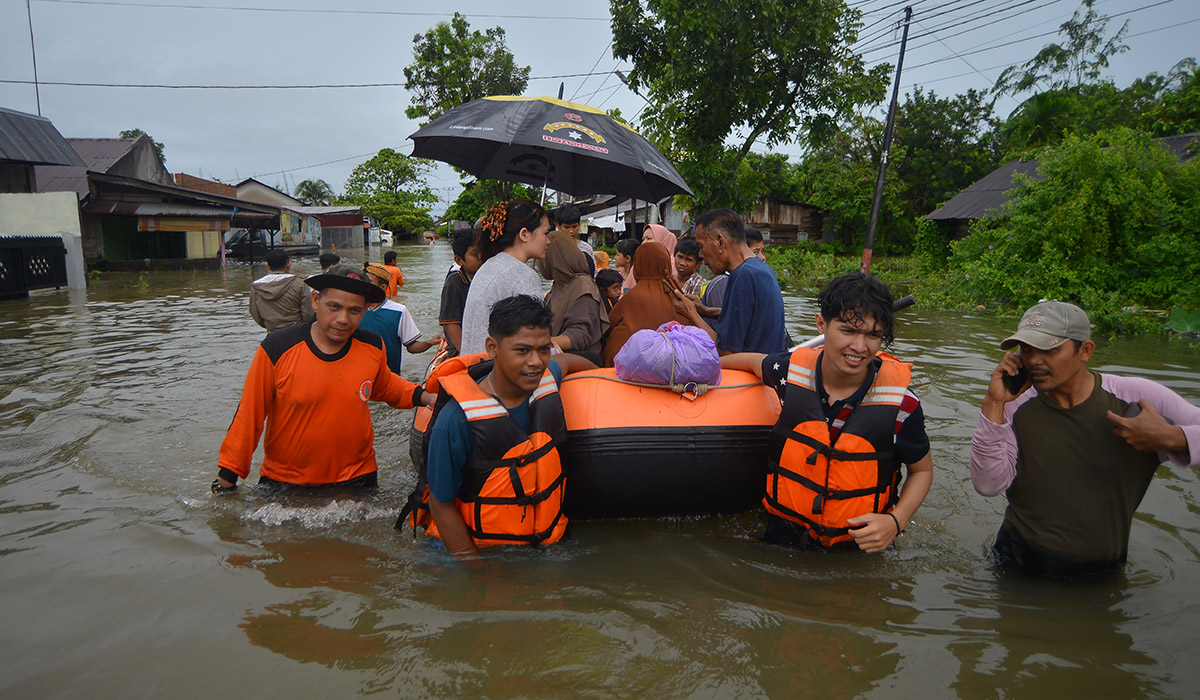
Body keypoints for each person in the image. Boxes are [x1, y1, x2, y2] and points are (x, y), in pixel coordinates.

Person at [971, 301, 1200, 576]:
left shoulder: (1135, 398)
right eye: (1027, 349)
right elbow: (987, 484)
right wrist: (994, 403)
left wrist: (1172, 437)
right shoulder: (1013, 404)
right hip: (1015, 565)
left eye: (1049, 349)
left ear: (1085, 351)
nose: (1033, 360)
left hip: (1102, 573)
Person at [720, 272, 934, 553]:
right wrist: (705, 371)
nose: (859, 347)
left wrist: (896, 521)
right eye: (848, 330)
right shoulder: (789, 373)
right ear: (822, 324)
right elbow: (749, 362)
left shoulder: (902, 406)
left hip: (857, 548)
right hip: (783, 536)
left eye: (873, 335)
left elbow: (922, 470)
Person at [213, 264, 436, 492]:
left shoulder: (372, 346)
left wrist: (426, 397)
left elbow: (386, 385)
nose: (343, 319)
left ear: (365, 310)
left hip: (358, 477)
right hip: (287, 482)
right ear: (315, 301)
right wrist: (228, 475)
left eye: (354, 311)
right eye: (334, 307)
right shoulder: (277, 348)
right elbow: (250, 414)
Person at [421, 295, 597, 555]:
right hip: (479, 547)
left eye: (544, 349)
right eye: (522, 351)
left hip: (542, 537)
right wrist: (472, 565)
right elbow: (441, 504)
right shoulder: (455, 421)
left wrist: (606, 371)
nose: (536, 362)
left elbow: (568, 362)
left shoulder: (546, 381)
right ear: (492, 347)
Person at [673, 209, 787, 355]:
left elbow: (727, 352)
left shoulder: (741, 277)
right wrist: (705, 311)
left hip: (750, 376)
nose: (700, 255)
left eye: (701, 247)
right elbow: (750, 317)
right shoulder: (761, 269)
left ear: (720, 242)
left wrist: (691, 314)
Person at [459, 199, 551, 355]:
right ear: (524, 234)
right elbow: (534, 337)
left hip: (472, 364)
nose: (548, 241)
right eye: (546, 233)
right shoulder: (524, 275)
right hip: (493, 368)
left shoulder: (489, 265)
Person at [602, 241, 692, 366]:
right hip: (674, 366)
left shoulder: (632, 297)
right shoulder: (677, 294)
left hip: (628, 366)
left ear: (638, 265)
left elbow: (608, 325)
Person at [360, 263, 441, 374]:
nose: (363, 285)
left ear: (382, 287)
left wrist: (430, 342)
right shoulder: (353, 309)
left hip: (388, 378)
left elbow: (411, 346)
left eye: (368, 282)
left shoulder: (398, 311)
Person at [543, 232, 609, 362]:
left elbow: (579, 335)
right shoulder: (559, 284)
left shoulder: (582, 286)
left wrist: (539, 343)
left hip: (578, 361)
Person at [438, 228, 484, 357]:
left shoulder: (487, 277)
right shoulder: (455, 282)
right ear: (459, 260)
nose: (482, 258)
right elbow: (450, 323)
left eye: (485, 253)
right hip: (461, 349)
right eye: (476, 255)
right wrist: (466, 354)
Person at [248, 250, 315, 334]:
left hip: (272, 335)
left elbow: (255, 313)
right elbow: (308, 313)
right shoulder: (300, 284)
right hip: (297, 333)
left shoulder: (256, 287)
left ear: (268, 266)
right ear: (288, 265)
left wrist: (270, 325)